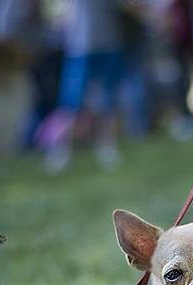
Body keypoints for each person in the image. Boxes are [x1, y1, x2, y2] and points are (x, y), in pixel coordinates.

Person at [40, 0, 126, 172]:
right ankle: (61, 151)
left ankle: (107, 148)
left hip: (109, 42)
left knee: (107, 100)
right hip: (80, 45)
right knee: (71, 102)